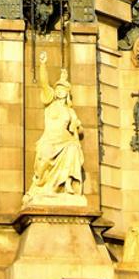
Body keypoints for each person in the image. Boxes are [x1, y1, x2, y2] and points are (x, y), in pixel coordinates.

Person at [28, 52, 84, 196]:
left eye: (63, 90)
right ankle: (39, 182)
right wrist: (42, 65)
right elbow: (44, 84)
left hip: (65, 140)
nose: (60, 92)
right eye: (58, 89)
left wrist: (78, 126)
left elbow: (80, 130)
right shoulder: (49, 103)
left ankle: (66, 184)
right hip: (49, 139)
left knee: (72, 148)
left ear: (67, 93)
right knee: (44, 157)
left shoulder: (70, 111)